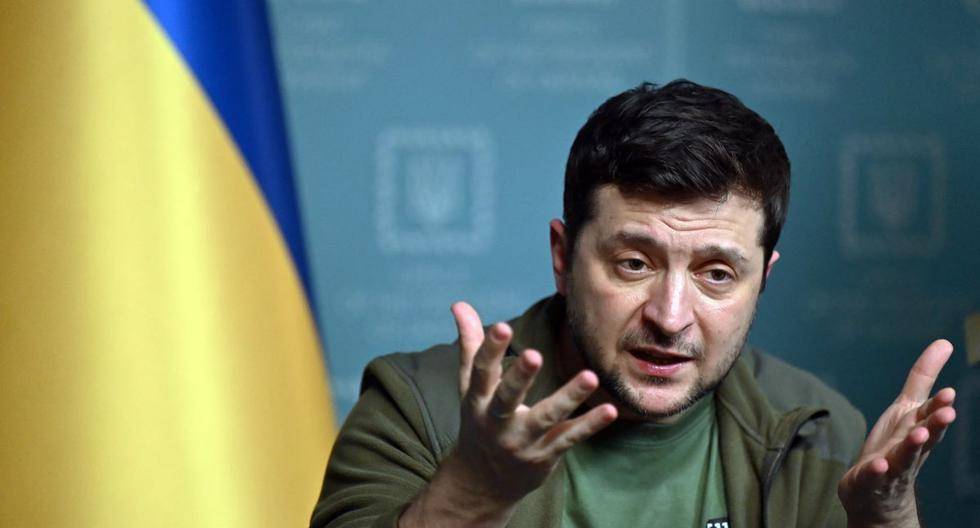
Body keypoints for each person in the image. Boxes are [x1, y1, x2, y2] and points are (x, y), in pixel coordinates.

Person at [310, 80, 957, 528]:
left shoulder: (818, 431)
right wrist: (472, 494)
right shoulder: (418, 407)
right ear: (563, 257)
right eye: (634, 264)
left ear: (763, 279)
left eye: (716, 275)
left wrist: (886, 520)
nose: (669, 317)